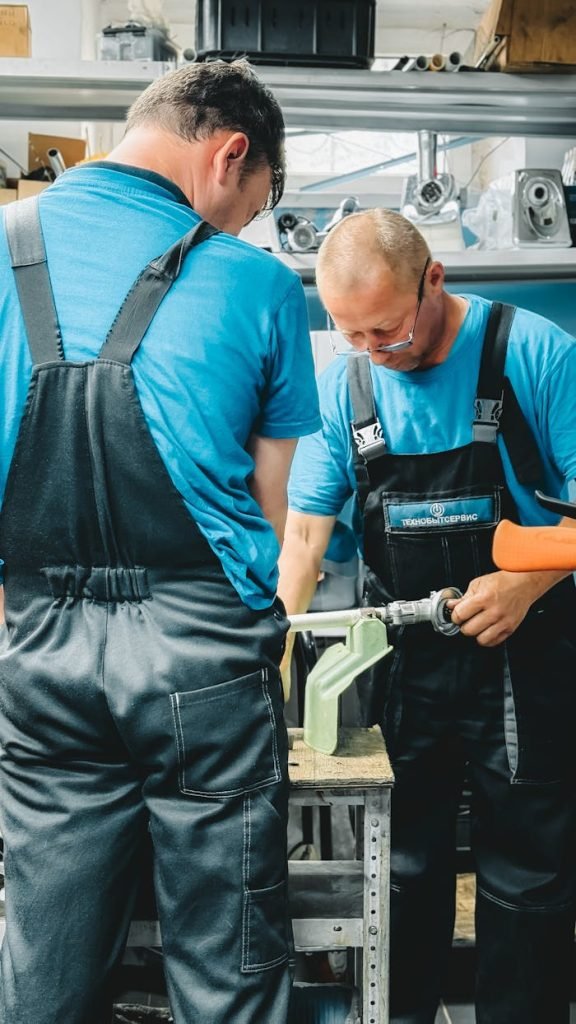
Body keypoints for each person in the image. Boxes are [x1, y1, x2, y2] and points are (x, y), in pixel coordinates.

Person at [0, 60, 321, 1024]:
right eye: (248, 205)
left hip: (38, 654)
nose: (237, 230)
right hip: (201, 663)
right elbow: (267, 516)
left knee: (45, 957)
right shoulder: (258, 285)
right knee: (226, 963)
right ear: (231, 153)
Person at [278, 208, 576, 1024]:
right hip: (403, 661)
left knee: (527, 871)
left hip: (524, 660)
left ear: (434, 280)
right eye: (351, 334)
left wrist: (525, 585)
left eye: (387, 328)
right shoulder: (348, 384)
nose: (373, 349)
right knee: (399, 866)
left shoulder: (534, 353)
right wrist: (272, 634)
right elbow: (305, 533)